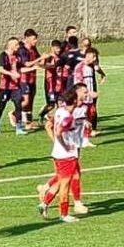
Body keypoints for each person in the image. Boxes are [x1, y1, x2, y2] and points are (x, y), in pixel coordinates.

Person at [37, 83, 90, 215]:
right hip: (67, 151)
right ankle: (74, 205)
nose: (86, 94)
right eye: (84, 92)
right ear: (76, 93)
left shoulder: (83, 108)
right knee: (71, 177)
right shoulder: (64, 111)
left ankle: (45, 196)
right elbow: (50, 126)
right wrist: (59, 143)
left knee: (65, 177)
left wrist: (86, 124)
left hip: (75, 146)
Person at [0, 37, 25, 135]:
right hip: (4, 87)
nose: (18, 46)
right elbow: (0, 69)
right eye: (16, 45)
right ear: (10, 45)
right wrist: (12, 74)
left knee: (18, 105)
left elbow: (20, 69)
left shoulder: (18, 56)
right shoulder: (3, 56)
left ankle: (19, 127)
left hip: (15, 87)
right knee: (1, 106)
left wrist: (34, 68)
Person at [16, 29, 46, 131]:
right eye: (34, 39)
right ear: (27, 38)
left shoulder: (34, 49)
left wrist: (44, 59)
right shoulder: (22, 50)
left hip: (33, 78)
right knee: (26, 101)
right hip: (24, 79)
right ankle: (15, 113)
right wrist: (39, 60)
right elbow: (27, 64)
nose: (36, 40)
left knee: (31, 101)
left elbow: (39, 60)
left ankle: (28, 123)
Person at [74, 48, 100, 144]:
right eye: (93, 57)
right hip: (83, 97)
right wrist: (89, 93)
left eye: (95, 57)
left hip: (89, 97)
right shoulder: (80, 67)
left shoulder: (90, 66)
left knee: (90, 116)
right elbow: (78, 85)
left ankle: (85, 140)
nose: (94, 59)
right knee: (82, 118)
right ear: (87, 55)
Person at [38, 40, 66, 124]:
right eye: (57, 48)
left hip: (60, 83)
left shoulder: (61, 56)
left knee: (61, 103)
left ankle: (58, 121)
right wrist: (45, 61)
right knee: (51, 105)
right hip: (50, 84)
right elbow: (42, 65)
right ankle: (42, 115)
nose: (58, 50)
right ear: (52, 48)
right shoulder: (48, 56)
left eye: (59, 48)